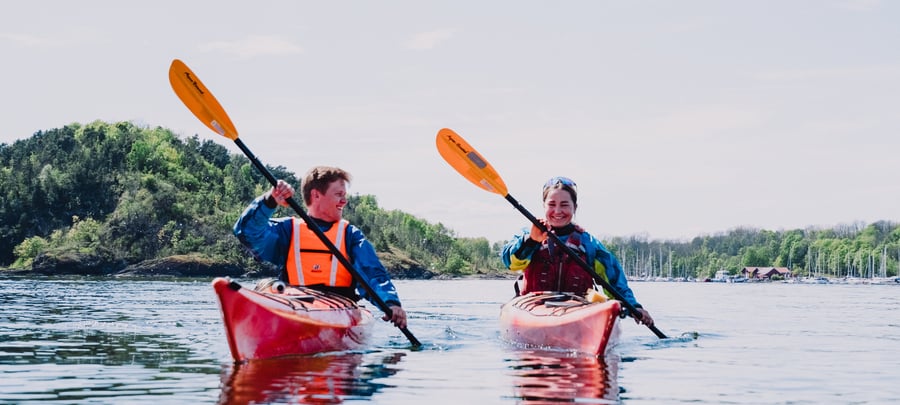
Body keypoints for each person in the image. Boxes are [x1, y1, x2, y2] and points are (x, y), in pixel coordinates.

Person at [233, 165, 408, 329]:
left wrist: (390, 303)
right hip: (294, 302)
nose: (344, 201)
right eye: (339, 194)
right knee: (266, 285)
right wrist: (270, 200)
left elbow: (372, 273)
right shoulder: (287, 231)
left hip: (341, 306)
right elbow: (246, 231)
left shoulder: (351, 235)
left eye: (344, 195)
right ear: (316, 195)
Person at [500, 176, 654, 326]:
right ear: (544, 206)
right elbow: (510, 263)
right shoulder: (529, 234)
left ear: (575, 207)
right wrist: (531, 240)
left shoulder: (588, 243)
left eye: (564, 205)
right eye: (552, 204)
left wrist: (634, 307)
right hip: (534, 308)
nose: (557, 211)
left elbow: (614, 280)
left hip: (578, 309)